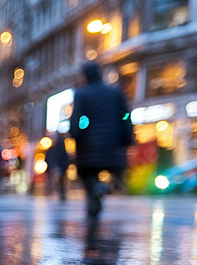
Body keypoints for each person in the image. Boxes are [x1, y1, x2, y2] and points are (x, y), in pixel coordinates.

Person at [69, 61, 132, 218]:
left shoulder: (81, 94)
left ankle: (96, 191)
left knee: (88, 174)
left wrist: (76, 135)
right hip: (112, 142)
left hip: (88, 144)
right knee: (112, 169)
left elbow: (77, 118)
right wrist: (126, 137)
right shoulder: (115, 92)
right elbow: (125, 116)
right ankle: (105, 187)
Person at [45, 133, 70, 201]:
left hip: (59, 167)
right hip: (55, 167)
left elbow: (64, 157)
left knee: (60, 182)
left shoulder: (59, 147)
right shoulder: (52, 148)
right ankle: (58, 194)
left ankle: (61, 194)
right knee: (57, 182)